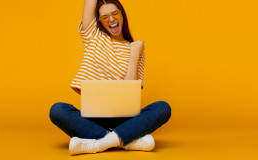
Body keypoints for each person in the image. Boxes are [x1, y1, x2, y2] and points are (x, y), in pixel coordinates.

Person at [49, 0, 171, 155]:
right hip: (93, 118)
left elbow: (129, 93)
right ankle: (125, 140)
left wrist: (134, 56)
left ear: (122, 15)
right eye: (104, 17)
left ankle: (99, 144)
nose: (111, 19)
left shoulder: (136, 48)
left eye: (115, 13)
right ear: (99, 21)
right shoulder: (93, 36)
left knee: (163, 107)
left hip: (126, 118)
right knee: (58, 110)